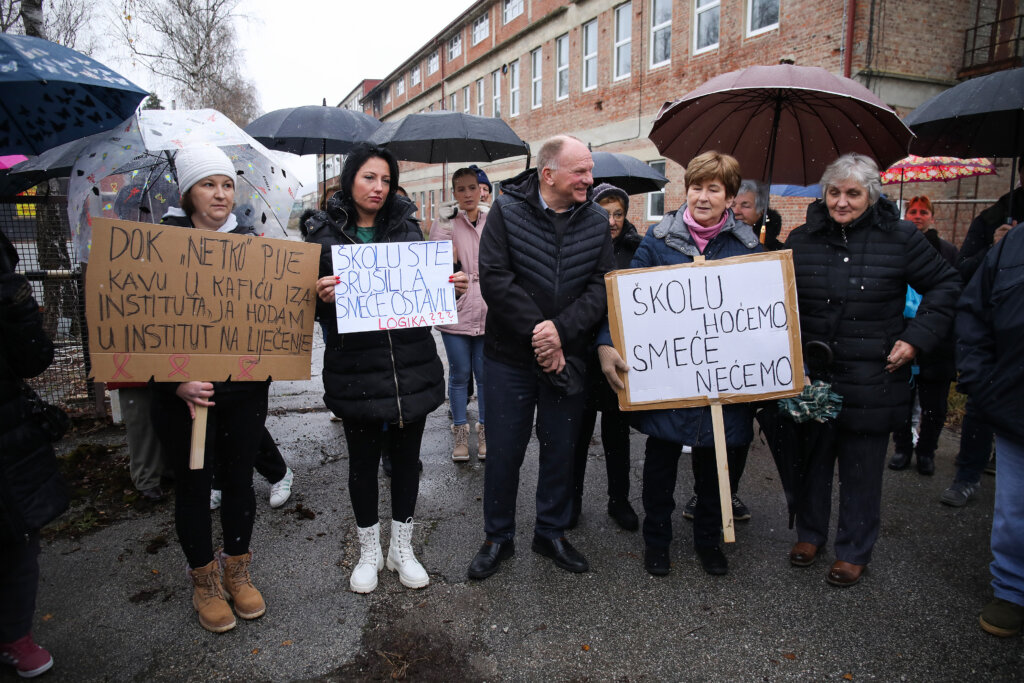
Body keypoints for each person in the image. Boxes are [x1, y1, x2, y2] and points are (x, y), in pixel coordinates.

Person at [784, 153, 959, 587]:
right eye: (834, 192)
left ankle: (853, 550)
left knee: (862, 467)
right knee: (813, 459)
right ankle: (810, 533)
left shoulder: (900, 238)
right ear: (823, 194)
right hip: (815, 374)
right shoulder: (802, 238)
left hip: (874, 373)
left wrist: (917, 337)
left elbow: (946, 285)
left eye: (853, 194)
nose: (841, 202)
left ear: (871, 195)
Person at [596, 152, 761, 577]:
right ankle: (657, 541)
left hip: (722, 380)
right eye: (696, 187)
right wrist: (606, 343)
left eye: (714, 189)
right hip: (669, 381)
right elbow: (625, 303)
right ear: (685, 189)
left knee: (713, 468)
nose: (703, 197)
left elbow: (761, 310)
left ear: (729, 196)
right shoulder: (658, 241)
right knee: (660, 467)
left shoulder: (747, 246)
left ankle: (709, 541)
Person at [466, 135, 613, 580]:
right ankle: (498, 537)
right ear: (549, 174)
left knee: (561, 450)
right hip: (509, 359)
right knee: (505, 452)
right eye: (580, 171)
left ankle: (551, 532)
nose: (590, 179)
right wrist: (540, 334)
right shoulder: (506, 212)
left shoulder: (597, 221)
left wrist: (561, 333)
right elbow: (495, 279)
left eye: (589, 170)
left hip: (568, 358)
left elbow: (602, 285)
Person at [307, 143, 444, 594]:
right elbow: (299, 305)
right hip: (356, 368)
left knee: (407, 463)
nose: (378, 188)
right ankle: (368, 550)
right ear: (350, 180)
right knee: (363, 464)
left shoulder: (408, 228)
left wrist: (449, 286)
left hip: (410, 366)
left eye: (385, 179)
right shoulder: (323, 234)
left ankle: (401, 548)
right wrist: (318, 298)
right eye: (369, 178)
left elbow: (421, 297)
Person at [150, 145, 271, 633]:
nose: (220, 194)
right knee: (195, 487)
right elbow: (138, 324)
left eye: (226, 184)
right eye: (208, 184)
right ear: (188, 192)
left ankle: (237, 571)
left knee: (240, 481)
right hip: (183, 396)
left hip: (243, 392)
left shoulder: (252, 245)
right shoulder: (158, 244)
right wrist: (175, 380)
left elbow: (272, 315)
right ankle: (204, 580)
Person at [0, 230, 68, 678]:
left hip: (8, 431)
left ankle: (14, 634)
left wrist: (18, 305)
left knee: (19, 541)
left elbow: (32, 359)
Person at [956, 220, 1024, 637]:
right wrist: (982, 380)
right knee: (1014, 509)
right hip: (1016, 401)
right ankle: (1012, 590)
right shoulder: (1012, 245)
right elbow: (974, 311)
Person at [941, 167, 1024, 506]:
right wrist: (995, 247)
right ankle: (967, 475)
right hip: (1000, 365)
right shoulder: (993, 217)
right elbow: (964, 276)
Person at [570, 182, 641, 531]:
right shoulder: (579, 246)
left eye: (618, 214)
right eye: (605, 212)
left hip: (618, 356)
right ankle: (572, 499)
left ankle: (620, 499)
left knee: (617, 434)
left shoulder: (635, 250)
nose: (612, 221)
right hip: (583, 356)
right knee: (578, 434)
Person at [889, 196, 959, 475]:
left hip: (936, 340)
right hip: (901, 332)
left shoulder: (948, 251)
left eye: (923, 212)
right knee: (902, 399)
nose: (917, 216)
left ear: (932, 217)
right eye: (912, 211)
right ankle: (902, 447)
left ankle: (927, 450)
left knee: (934, 404)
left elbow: (952, 288)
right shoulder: (895, 249)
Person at [431, 168, 488, 463]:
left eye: (472, 188)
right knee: (459, 374)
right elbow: (430, 266)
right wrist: (450, 255)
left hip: (488, 312)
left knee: (485, 376)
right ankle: (460, 436)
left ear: (481, 190)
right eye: (461, 189)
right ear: (453, 193)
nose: (467, 194)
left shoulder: (492, 220)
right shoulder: (445, 222)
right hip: (456, 311)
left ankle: (485, 434)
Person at [731, 179, 784, 250]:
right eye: (732, 205)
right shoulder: (716, 241)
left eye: (745, 206)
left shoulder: (776, 251)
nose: (736, 211)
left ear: (761, 211)